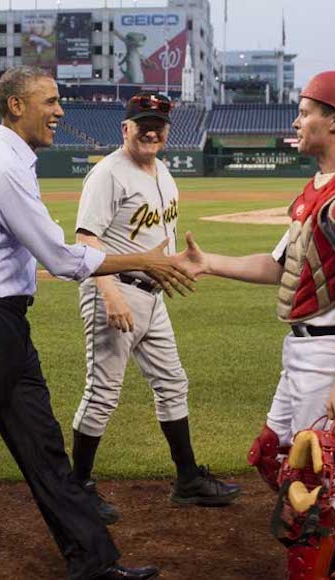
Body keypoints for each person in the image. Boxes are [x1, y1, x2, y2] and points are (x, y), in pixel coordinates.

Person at [0, 66, 198, 580]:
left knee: (46, 452)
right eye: (49, 101)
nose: (59, 111)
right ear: (16, 106)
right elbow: (58, 256)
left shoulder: (8, 160)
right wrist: (144, 260)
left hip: (0, 323)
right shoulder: (2, 167)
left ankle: (93, 561)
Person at [188, 71, 335, 579]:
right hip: (306, 350)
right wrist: (207, 262)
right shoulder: (319, 190)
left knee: (306, 481)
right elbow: (283, 269)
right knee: (272, 456)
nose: (297, 121)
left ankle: (325, 563)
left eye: (305, 112)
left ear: (334, 120)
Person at [69, 92, 239, 525]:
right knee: (103, 393)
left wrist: (174, 265)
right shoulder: (108, 174)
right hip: (114, 293)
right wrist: (109, 293)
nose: (151, 130)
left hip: (153, 295)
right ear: (125, 128)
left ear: (167, 131)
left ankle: (186, 480)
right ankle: (77, 489)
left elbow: (154, 243)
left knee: (172, 383)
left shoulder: (162, 170)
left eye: (159, 124)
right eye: (142, 123)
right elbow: (87, 240)